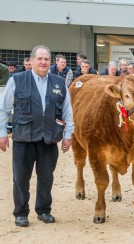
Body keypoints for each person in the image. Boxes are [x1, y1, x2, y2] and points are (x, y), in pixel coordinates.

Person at [0, 45, 74, 227]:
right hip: (23, 139)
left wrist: (68, 135)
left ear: (51, 62)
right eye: (39, 59)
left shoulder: (59, 83)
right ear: (31, 61)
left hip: (48, 139)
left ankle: (43, 210)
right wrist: (2, 133)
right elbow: (4, 109)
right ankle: (21, 212)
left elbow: (67, 112)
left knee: (46, 177)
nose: (43, 62)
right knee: (21, 178)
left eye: (46, 59)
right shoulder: (17, 80)